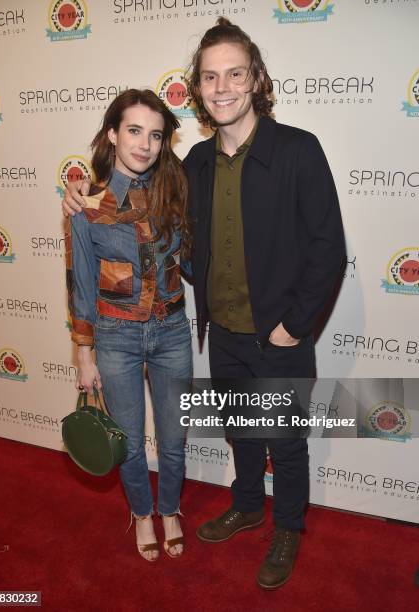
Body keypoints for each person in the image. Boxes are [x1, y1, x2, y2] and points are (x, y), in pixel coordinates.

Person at [63, 19, 346, 589]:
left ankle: (287, 527)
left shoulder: (298, 150)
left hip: (281, 335)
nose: (221, 87)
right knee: (242, 432)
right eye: (210, 76)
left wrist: (294, 326)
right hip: (224, 335)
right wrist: (78, 193)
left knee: (284, 441)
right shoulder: (192, 164)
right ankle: (246, 505)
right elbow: (137, 185)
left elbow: (328, 249)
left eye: (234, 73)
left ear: (256, 78)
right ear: (197, 88)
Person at [65, 89, 192, 562]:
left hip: (172, 331)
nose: (144, 144)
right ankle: (142, 514)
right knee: (131, 443)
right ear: (113, 134)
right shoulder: (86, 204)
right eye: (134, 131)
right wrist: (84, 353)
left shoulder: (174, 191)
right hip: (115, 337)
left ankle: (171, 509)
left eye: (155, 135)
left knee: (175, 438)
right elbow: (80, 281)